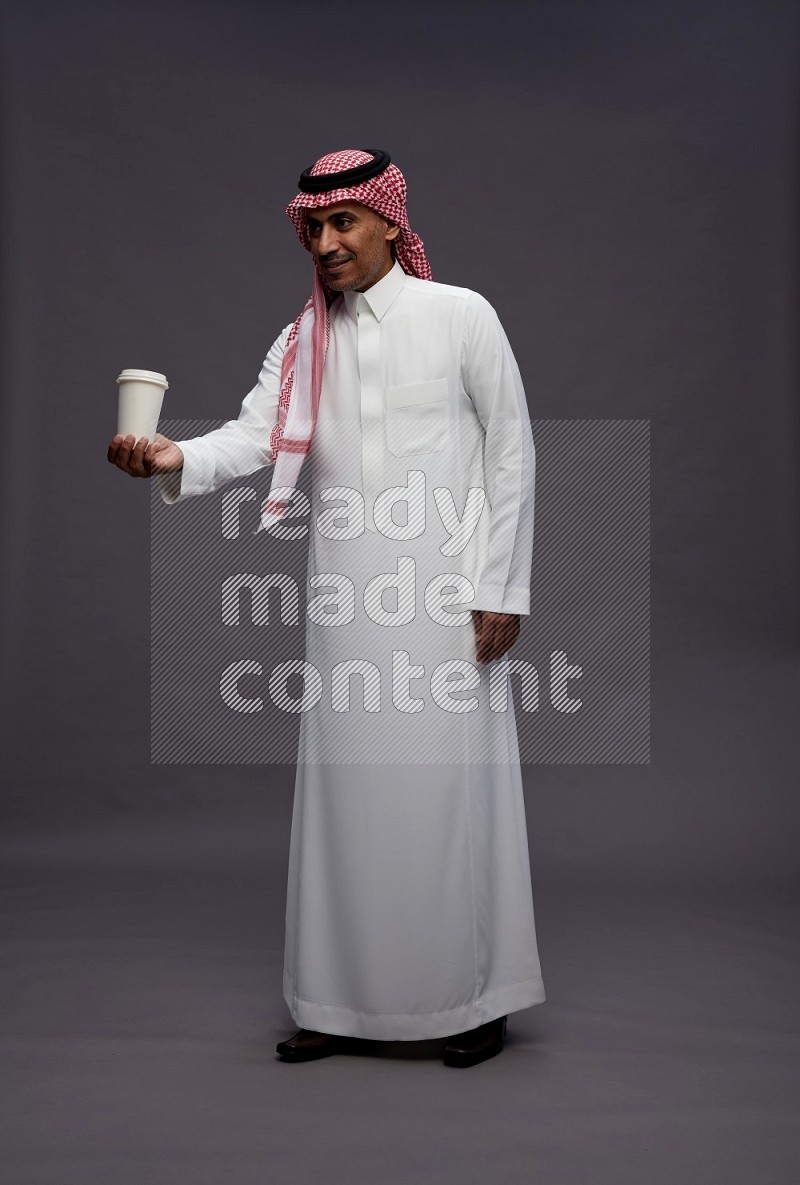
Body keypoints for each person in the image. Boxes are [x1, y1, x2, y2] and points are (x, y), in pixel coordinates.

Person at [108, 148, 545, 1068]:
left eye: (343, 221)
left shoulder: (460, 315)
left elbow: (512, 453)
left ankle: (471, 999)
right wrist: (169, 459)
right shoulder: (305, 338)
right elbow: (253, 434)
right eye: (313, 226)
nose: (326, 241)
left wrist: (502, 589)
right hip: (347, 599)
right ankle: (337, 1001)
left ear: (390, 221)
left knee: (444, 797)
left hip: (446, 601)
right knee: (347, 799)